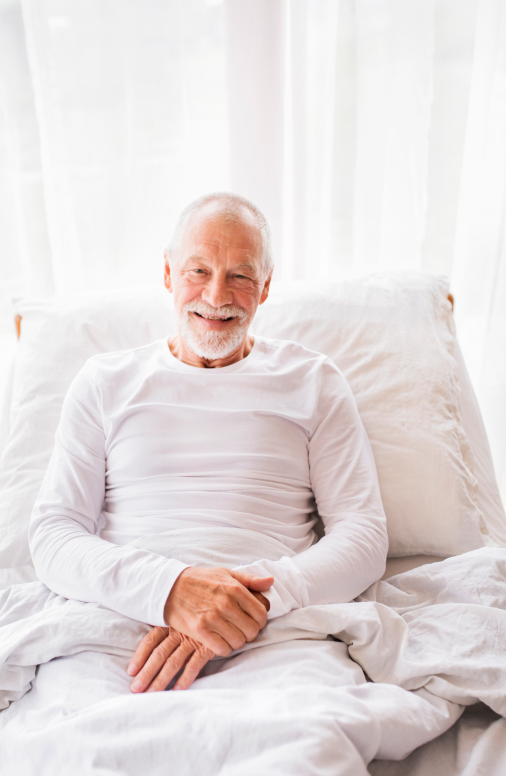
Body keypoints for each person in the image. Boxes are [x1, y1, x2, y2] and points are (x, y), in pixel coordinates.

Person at [29, 192, 388, 694]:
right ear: (168, 273)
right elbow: (53, 534)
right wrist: (169, 591)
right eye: (198, 270)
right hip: (121, 626)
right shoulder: (104, 383)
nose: (217, 296)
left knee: (306, 756)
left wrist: (243, 604)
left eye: (240, 276)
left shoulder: (314, 381)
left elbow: (364, 536)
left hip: (279, 630)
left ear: (264, 287)